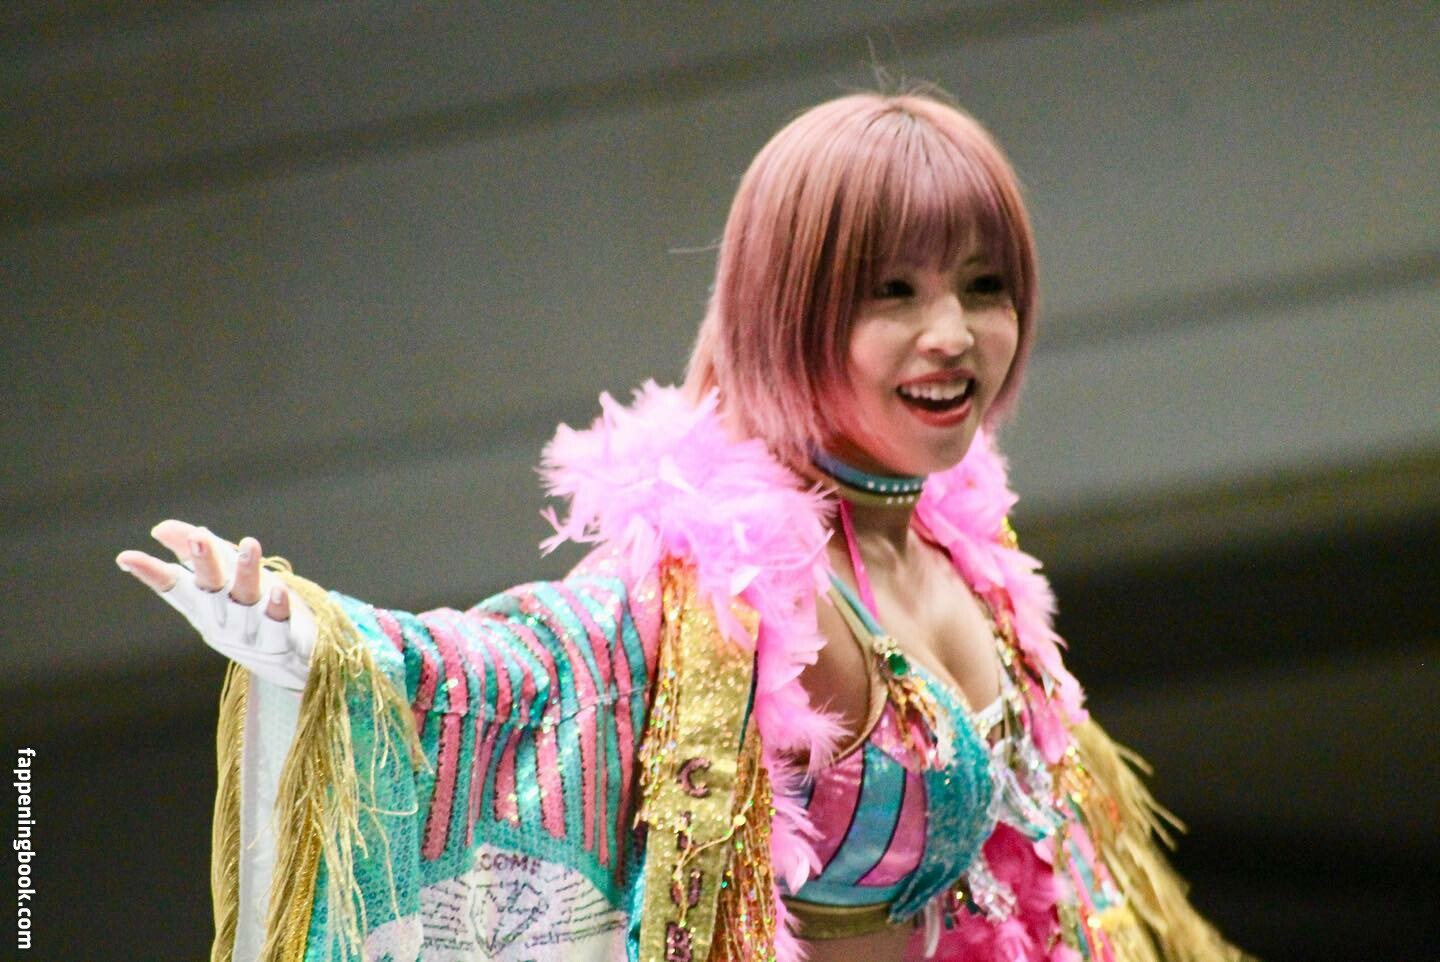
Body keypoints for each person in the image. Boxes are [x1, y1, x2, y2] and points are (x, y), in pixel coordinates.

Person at [118, 91, 1247, 962]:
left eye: (985, 286)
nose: (951, 333)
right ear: (789, 310)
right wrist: (324, 644)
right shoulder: (731, 576)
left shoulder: (972, 551)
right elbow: (531, 671)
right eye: (893, 292)